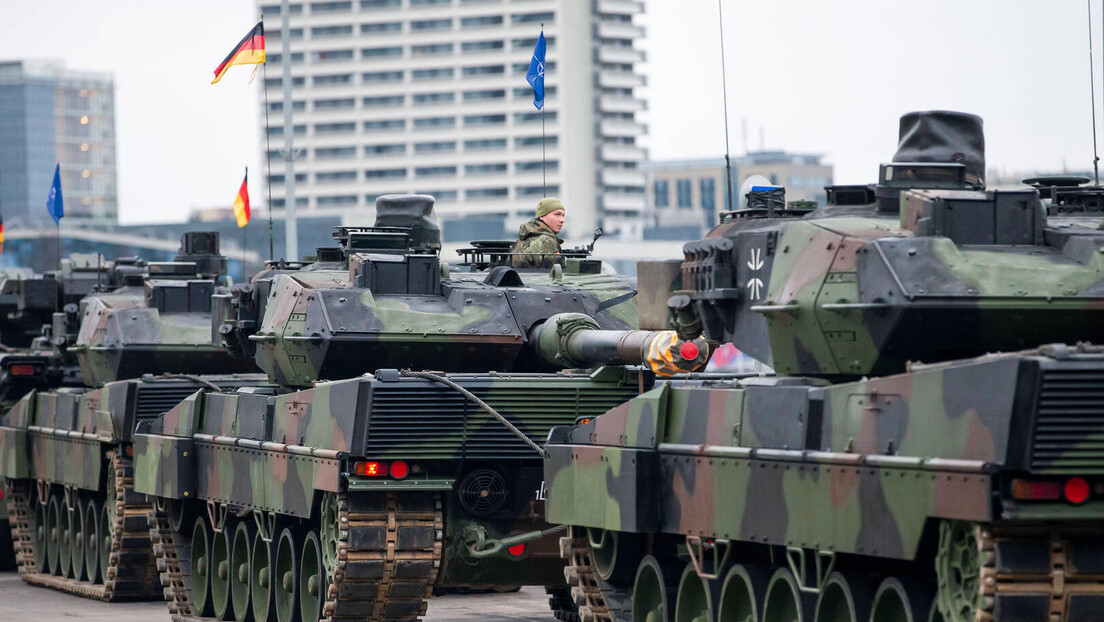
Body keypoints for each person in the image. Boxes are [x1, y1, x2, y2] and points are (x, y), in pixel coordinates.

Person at [511, 197, 566, 268]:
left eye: (563, 216)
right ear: (542, 216)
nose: (562, 220)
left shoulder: (525, 238)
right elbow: (554, 275)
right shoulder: (546, 241)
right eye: (557, 214)